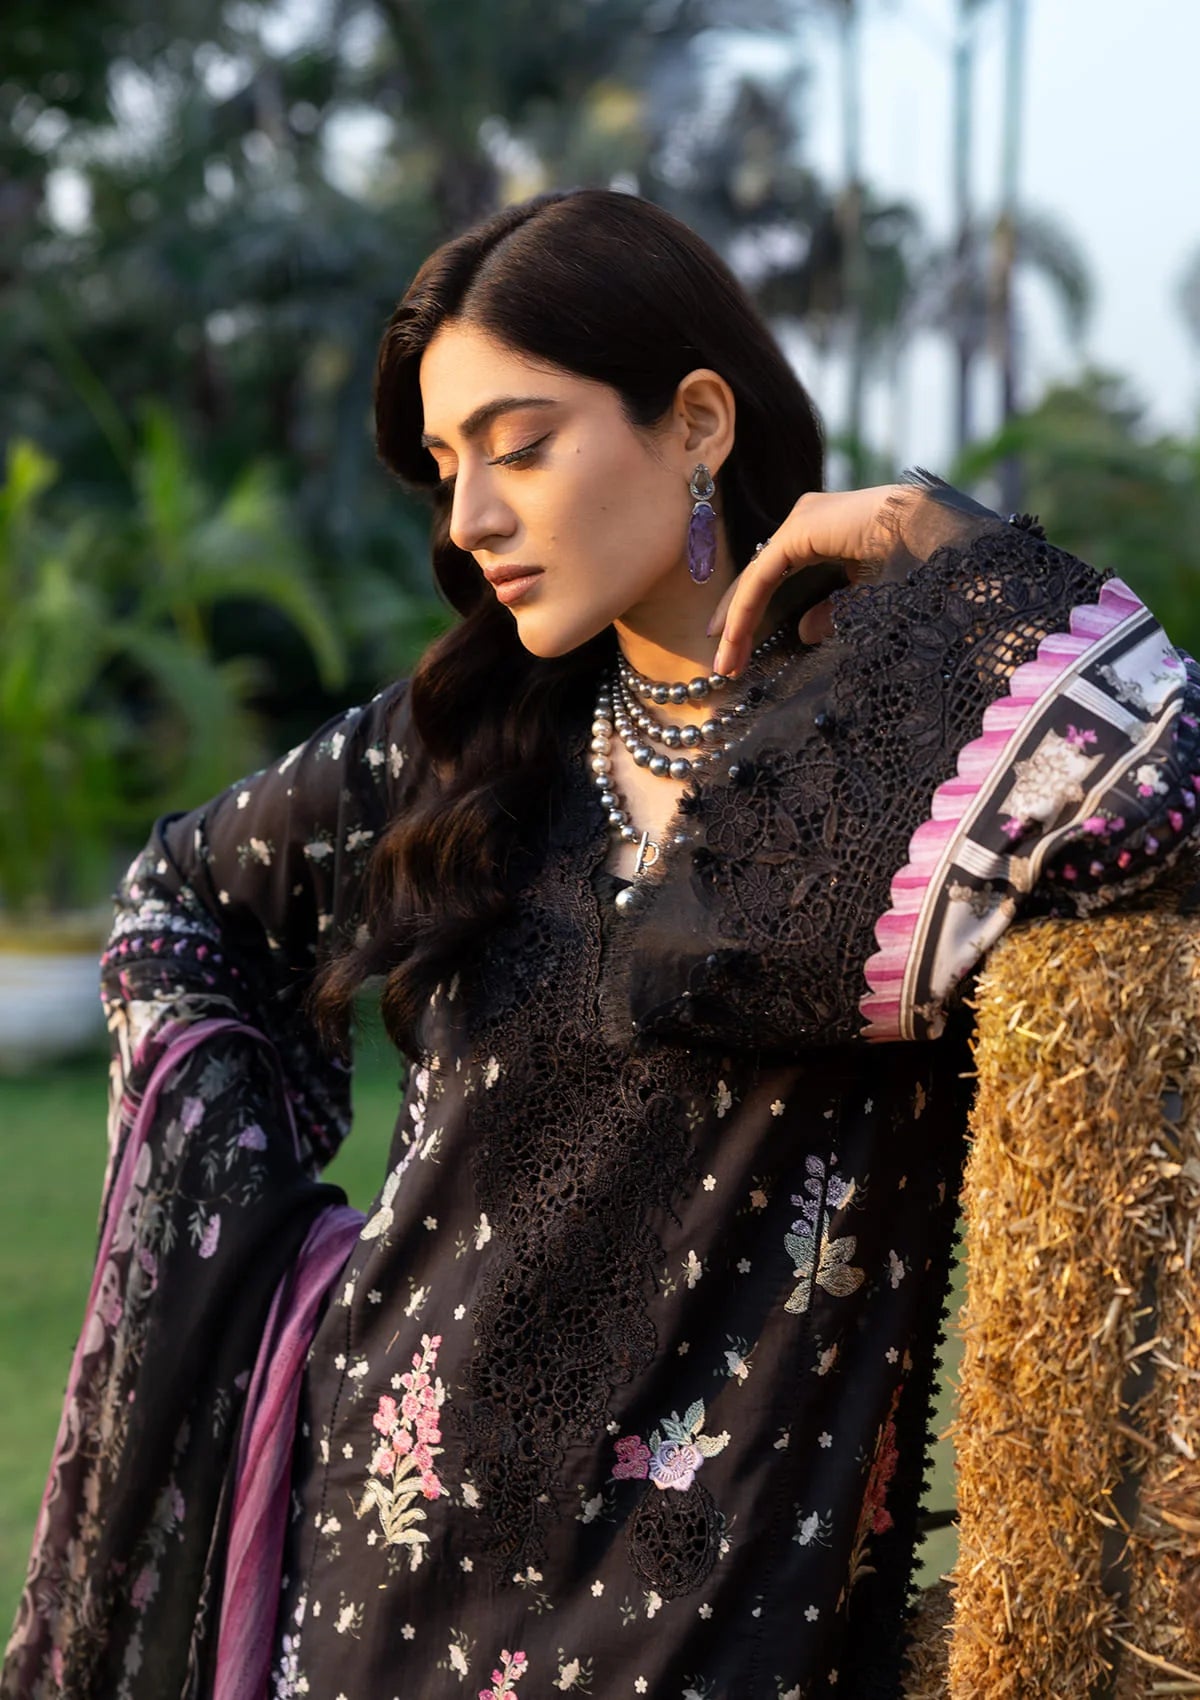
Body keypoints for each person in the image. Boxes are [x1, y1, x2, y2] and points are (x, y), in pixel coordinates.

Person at [6, 189, 1199, 1700]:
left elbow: (1173, 797)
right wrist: (283, 1262)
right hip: (371, 1583)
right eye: (446, 468)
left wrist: (937, 539)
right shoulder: (461, 748)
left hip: (715, 1631)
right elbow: (179, 904)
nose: (469, 518)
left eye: (518, 446)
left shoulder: (913, 763)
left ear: (696, 423)